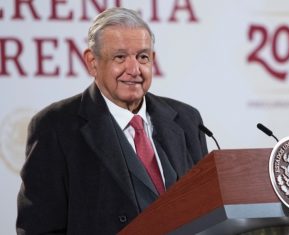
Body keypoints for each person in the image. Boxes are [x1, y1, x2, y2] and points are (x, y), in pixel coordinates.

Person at [16, 7, 208, 234]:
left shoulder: (187, 119)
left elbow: (209, 207)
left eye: (142, 57)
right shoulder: (55, 127)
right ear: (92, 61)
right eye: (120, 57)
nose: (134, 69)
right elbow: (38, 229)